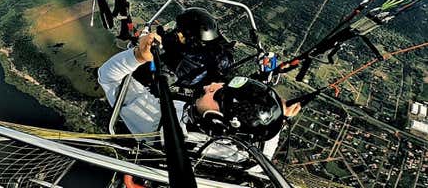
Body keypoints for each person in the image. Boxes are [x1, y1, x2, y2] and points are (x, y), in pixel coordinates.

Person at [98, 33, 301, 163]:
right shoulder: (252, 153)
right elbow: (266, 140)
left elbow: (108, 77)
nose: (211, 85)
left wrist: (138, 56)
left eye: (218, 94)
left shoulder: (155, 122)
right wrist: (277, 116)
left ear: (216, 118)